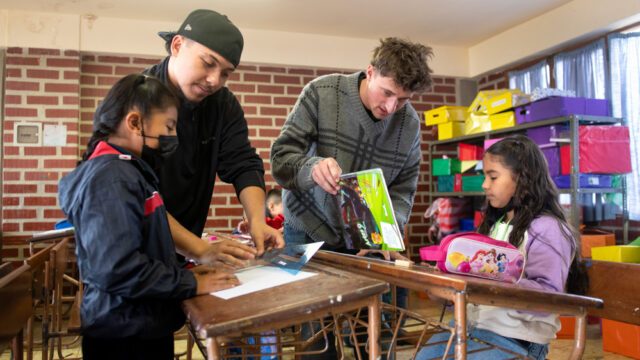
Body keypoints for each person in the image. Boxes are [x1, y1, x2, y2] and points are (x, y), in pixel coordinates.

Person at [270, 37, 434, 359]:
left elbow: (403, 189)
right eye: (387, 93)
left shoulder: (410, 124)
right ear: (370, 72)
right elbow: (280, 160)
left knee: (370, 332)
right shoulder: (322, 92)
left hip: (365, 237)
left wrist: (387, 231)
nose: (391, 107)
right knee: (316, 334)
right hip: (305, 227)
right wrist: (311, 167)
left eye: (402, 99)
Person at [58, 74, 240, 359]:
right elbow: (118, 268)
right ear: (134, 122)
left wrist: (183, 273)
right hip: (125, 334)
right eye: (168, 126)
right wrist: (190, 284)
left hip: (140, 323)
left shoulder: (128, 172)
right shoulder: (111, 179)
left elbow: (143, 247)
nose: (172, 137)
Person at [416, 135, 588, 359]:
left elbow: (549, 296)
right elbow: (478, 293)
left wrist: (487, 280)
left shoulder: (548, 229)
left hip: (516, 341)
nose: (485, 185)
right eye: (484, 176)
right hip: (470, 329)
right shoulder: (497, 225)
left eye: (493, 177)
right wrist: (446, 291)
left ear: (522, 179)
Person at [144, 9, 284, 265]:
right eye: (208, 63)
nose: (214, 80)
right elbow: (138, 195)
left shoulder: (223, 105)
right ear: (177, 45)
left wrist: (257, 220)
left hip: (183, 256)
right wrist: (198, 249)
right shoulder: (137, 98)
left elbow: (243, 163)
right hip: (135, 255)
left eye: (225, 73)